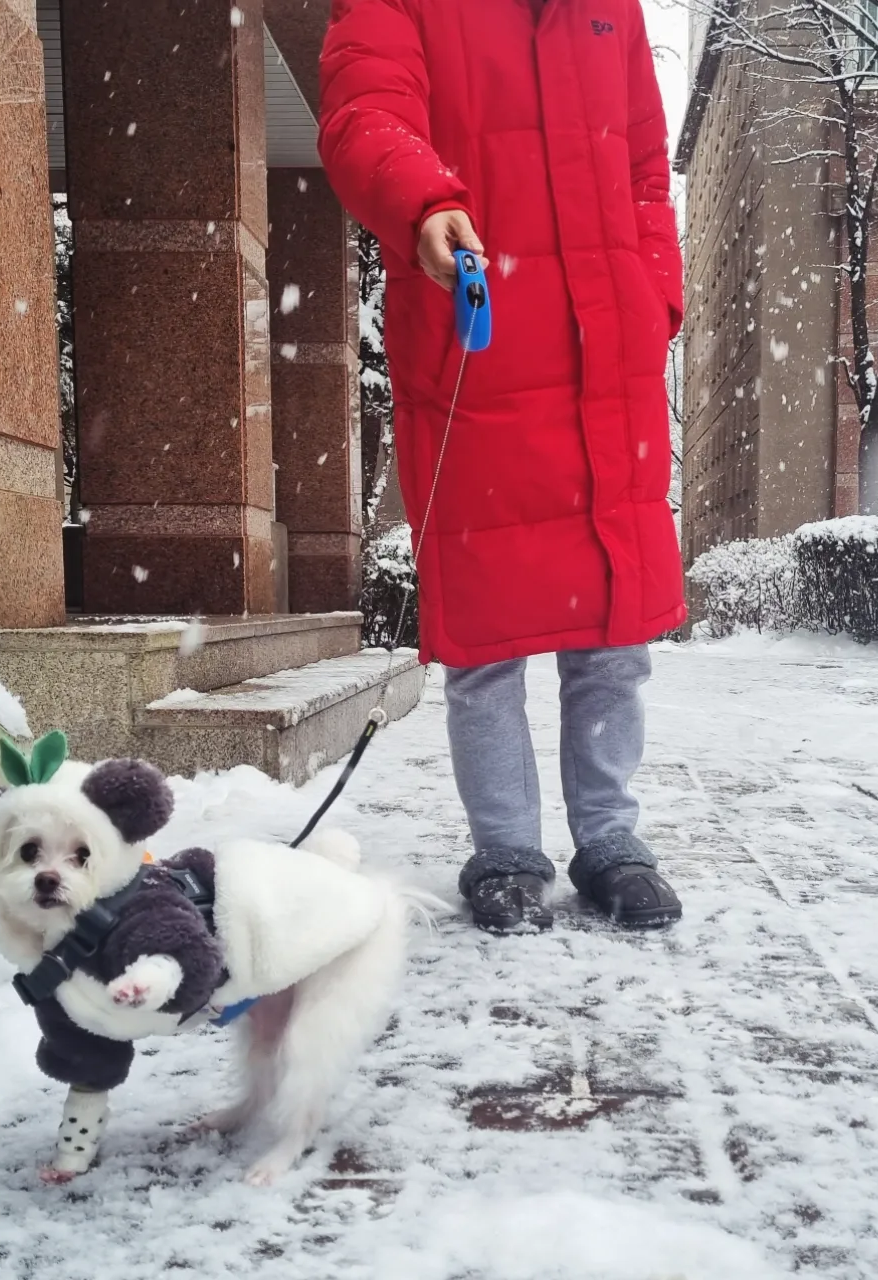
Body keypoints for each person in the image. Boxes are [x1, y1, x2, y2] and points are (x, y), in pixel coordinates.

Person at [318, 0, 685, 934]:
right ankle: (507, 847)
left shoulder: (610, 11)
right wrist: (427, 198)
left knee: (611, 629)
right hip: (477, 345)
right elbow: (365, 115)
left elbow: (648, 166)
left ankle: (610, 836)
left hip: (610, 353)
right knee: (487, 634)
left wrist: (654, 295)